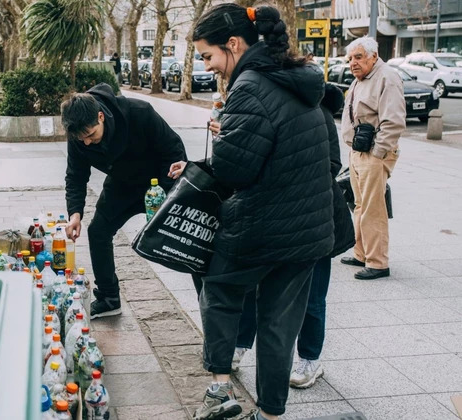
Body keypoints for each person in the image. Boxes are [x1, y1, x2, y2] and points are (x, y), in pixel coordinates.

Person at [168, 4, 334, 420]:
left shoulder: (250, 85)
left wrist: (222, 138)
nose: (208, 67)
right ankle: (271, 414)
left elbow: (234, 170)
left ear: (234, 44)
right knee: (280, 324)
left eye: (208, 56)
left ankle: (220, 391)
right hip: (309, 228)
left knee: (219, 288)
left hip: (265, 224)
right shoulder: (298, 81)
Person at [230, 82, 355, 391]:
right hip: (274, 220)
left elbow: (331, 165)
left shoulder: (317, 111)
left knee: (312, 295)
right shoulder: (264, 109)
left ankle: (310, 359)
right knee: (253, 287)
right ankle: (240, 344)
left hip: (314, 220)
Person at [61, 83, 187, 319]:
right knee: (98, 231)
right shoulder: (78, 134)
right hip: (121, 184)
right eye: (81, 139)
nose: (86, 142)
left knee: (183, 240)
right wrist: (75, 213)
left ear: (101, 116)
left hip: (158, 184)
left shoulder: (140, 112)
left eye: (90, 135)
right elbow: (76, 175)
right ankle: (108, 298)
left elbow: (173, 149)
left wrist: (165, 192)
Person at [339, 36, 405, 280]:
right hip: (358, 151)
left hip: (373, 154)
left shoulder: (387, 77)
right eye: (350, 59)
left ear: (374, 56)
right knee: (358, 205)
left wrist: (377, 153)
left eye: (359, 57)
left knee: (372, 208)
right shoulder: (359, 80)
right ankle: (361, 253)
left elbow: (394, 120)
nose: (353, 63)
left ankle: (377, 262)